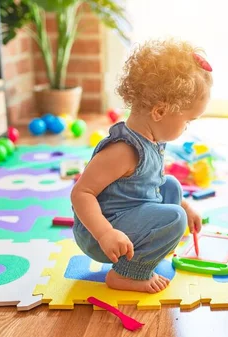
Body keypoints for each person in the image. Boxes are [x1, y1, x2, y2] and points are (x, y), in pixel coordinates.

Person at [71, 38, 213, 293]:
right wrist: (105, 234)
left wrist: (186, 207)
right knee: (174, 219)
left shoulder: (151, 140)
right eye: (187, 121)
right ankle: (127, 275)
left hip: (127, 217)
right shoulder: (123, 150)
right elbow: (81, 193)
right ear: (160, 112)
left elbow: (152, 186)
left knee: (171, 186)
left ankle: (147, 252)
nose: (187, 128)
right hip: (100, 235)